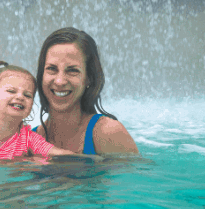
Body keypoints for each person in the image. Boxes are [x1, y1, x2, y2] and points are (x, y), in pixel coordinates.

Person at [33, 27, 140, 155]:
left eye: (72, 70)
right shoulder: (29, 140)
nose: (59, 81)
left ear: (88, 78)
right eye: (52, 68)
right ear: (41, 75)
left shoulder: (107, 133)